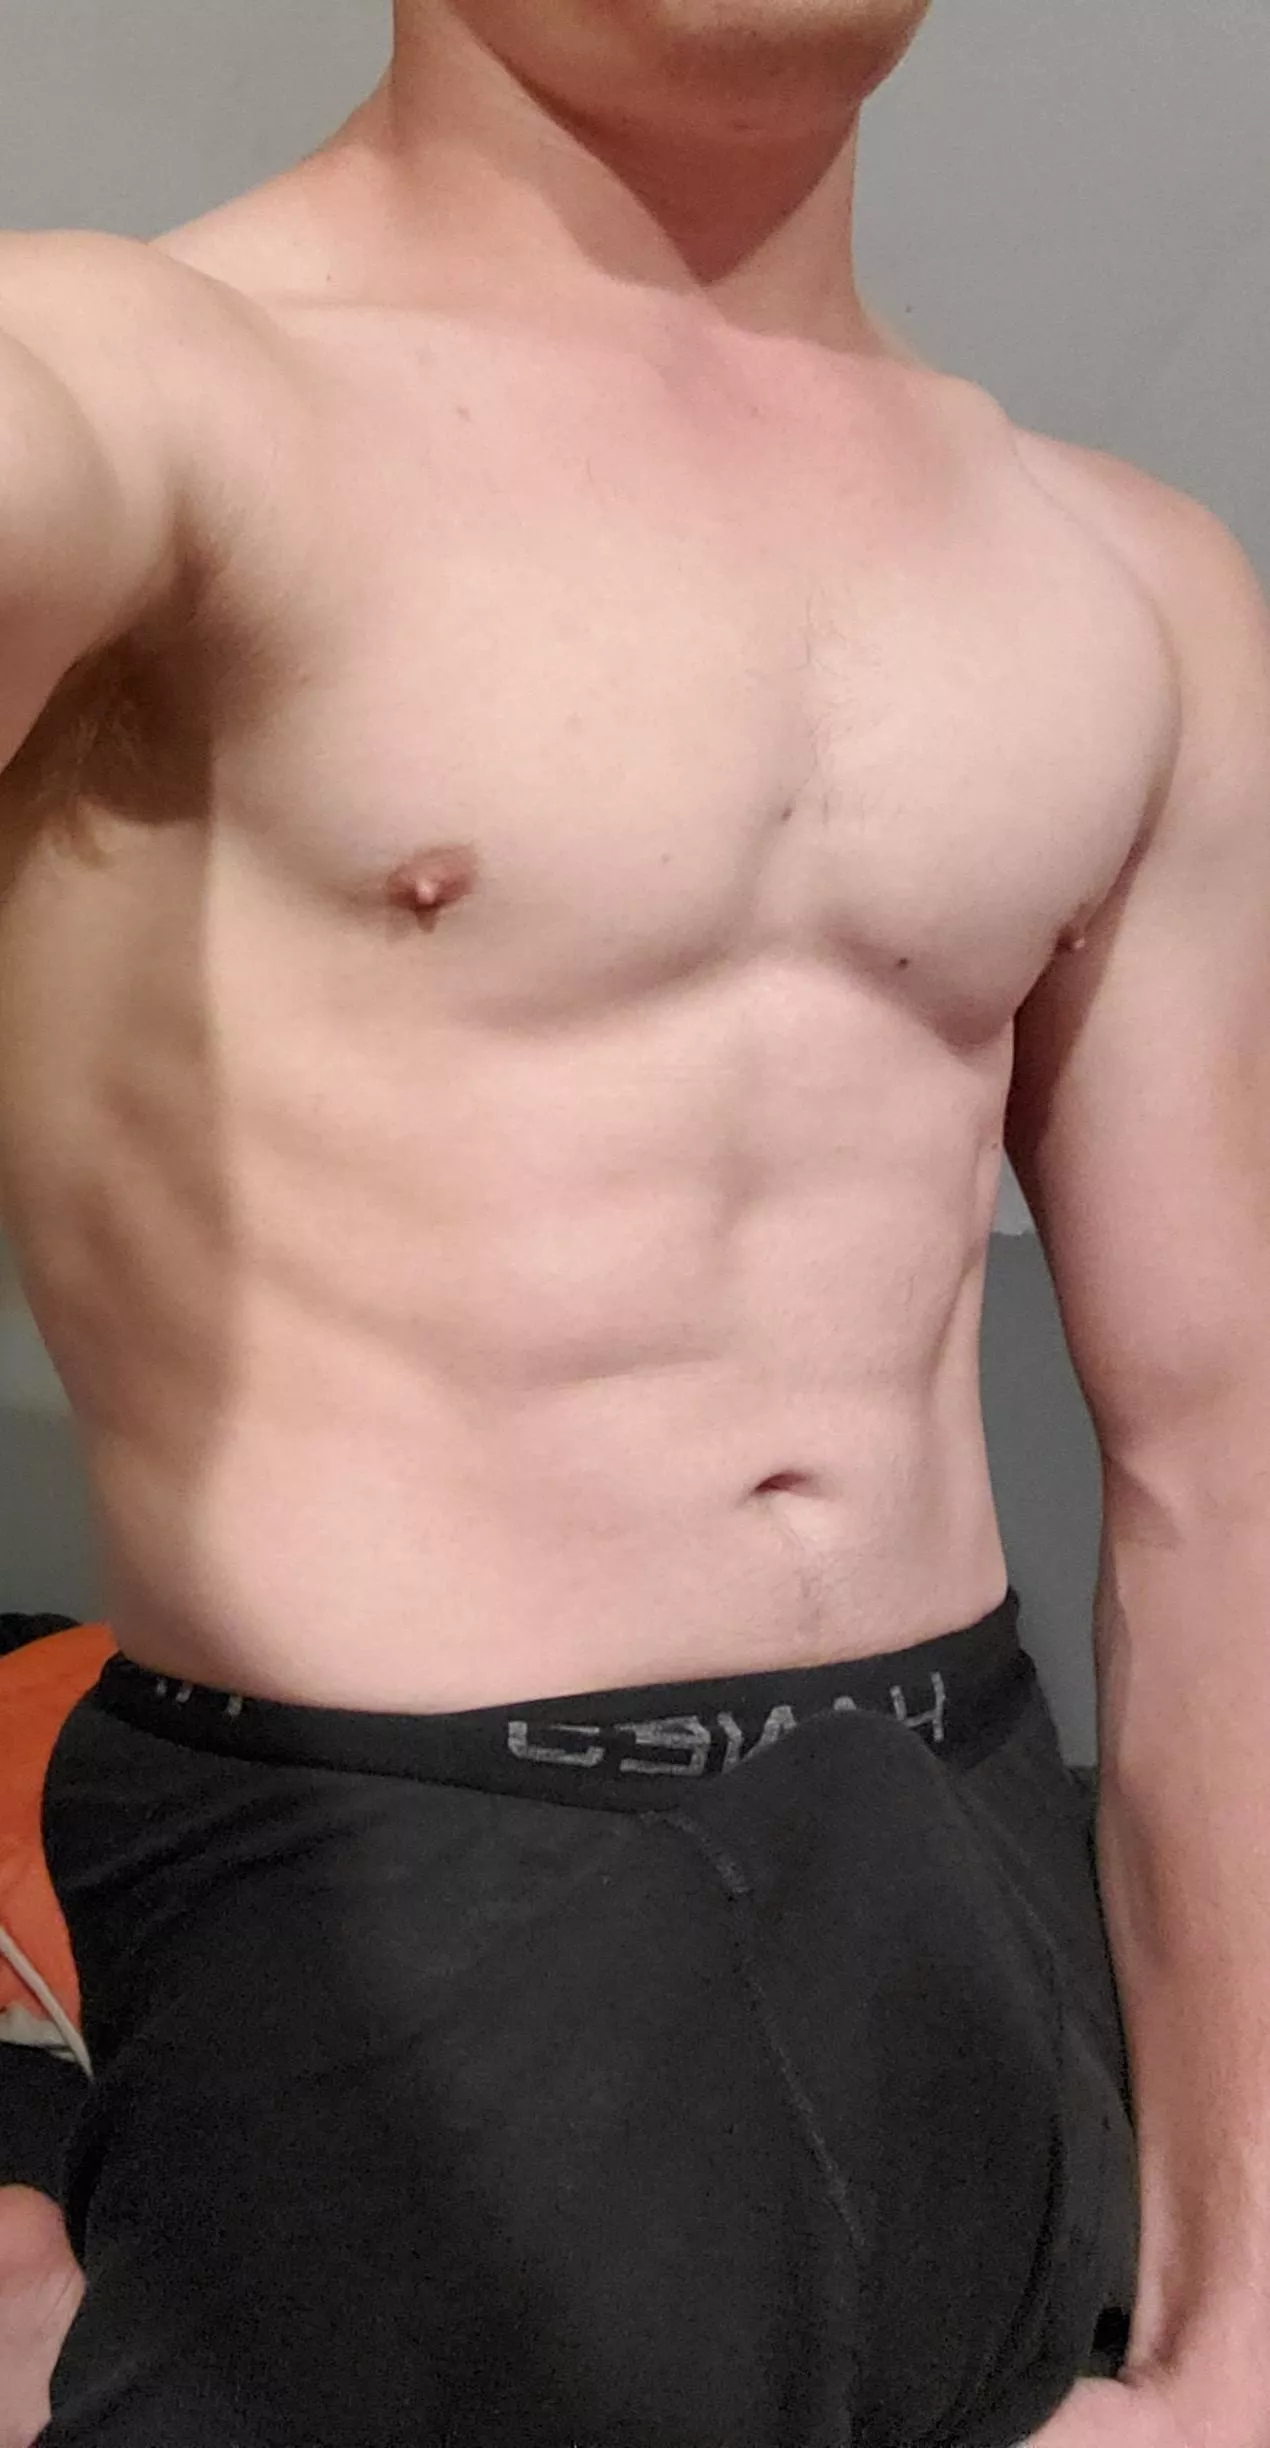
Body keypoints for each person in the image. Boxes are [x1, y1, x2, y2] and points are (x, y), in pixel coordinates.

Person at [1, 0, 1269, 2440]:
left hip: (966, 1867)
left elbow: (1222, 1469)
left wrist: (1239, 2334)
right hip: (399, 1905)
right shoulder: (141, 395)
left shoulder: (1120, 574)